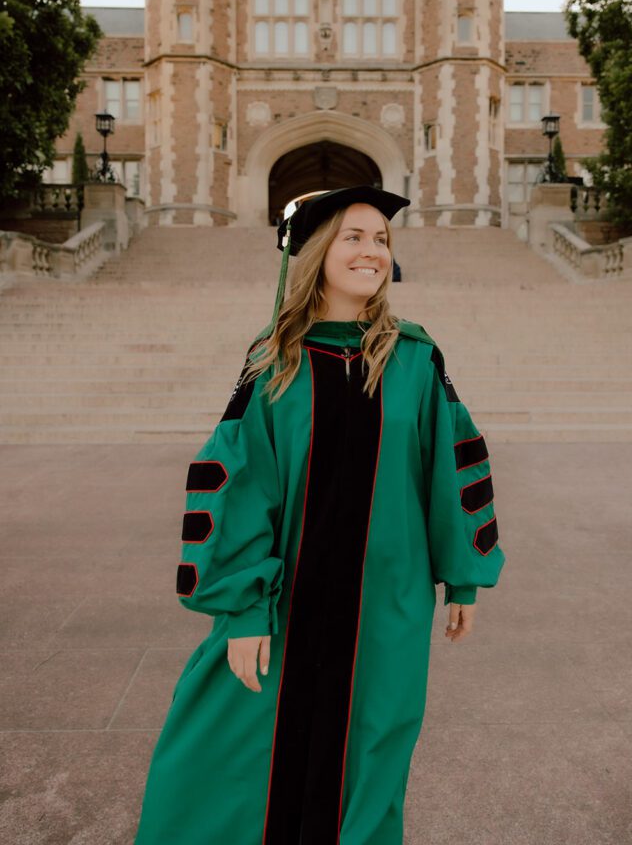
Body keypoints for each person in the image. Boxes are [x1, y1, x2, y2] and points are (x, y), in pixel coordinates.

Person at [133, 185, 505, 845]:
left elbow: (451, 466)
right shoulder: (274, 360)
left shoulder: (414, 358)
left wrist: (465, 578)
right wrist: (243, 608)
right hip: (284, 603)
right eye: (353, 237)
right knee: (222, 748)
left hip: (385, 608)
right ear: (314, 253)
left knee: (372, 755)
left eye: (381, 240)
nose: (371, 251)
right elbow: (238, 482)